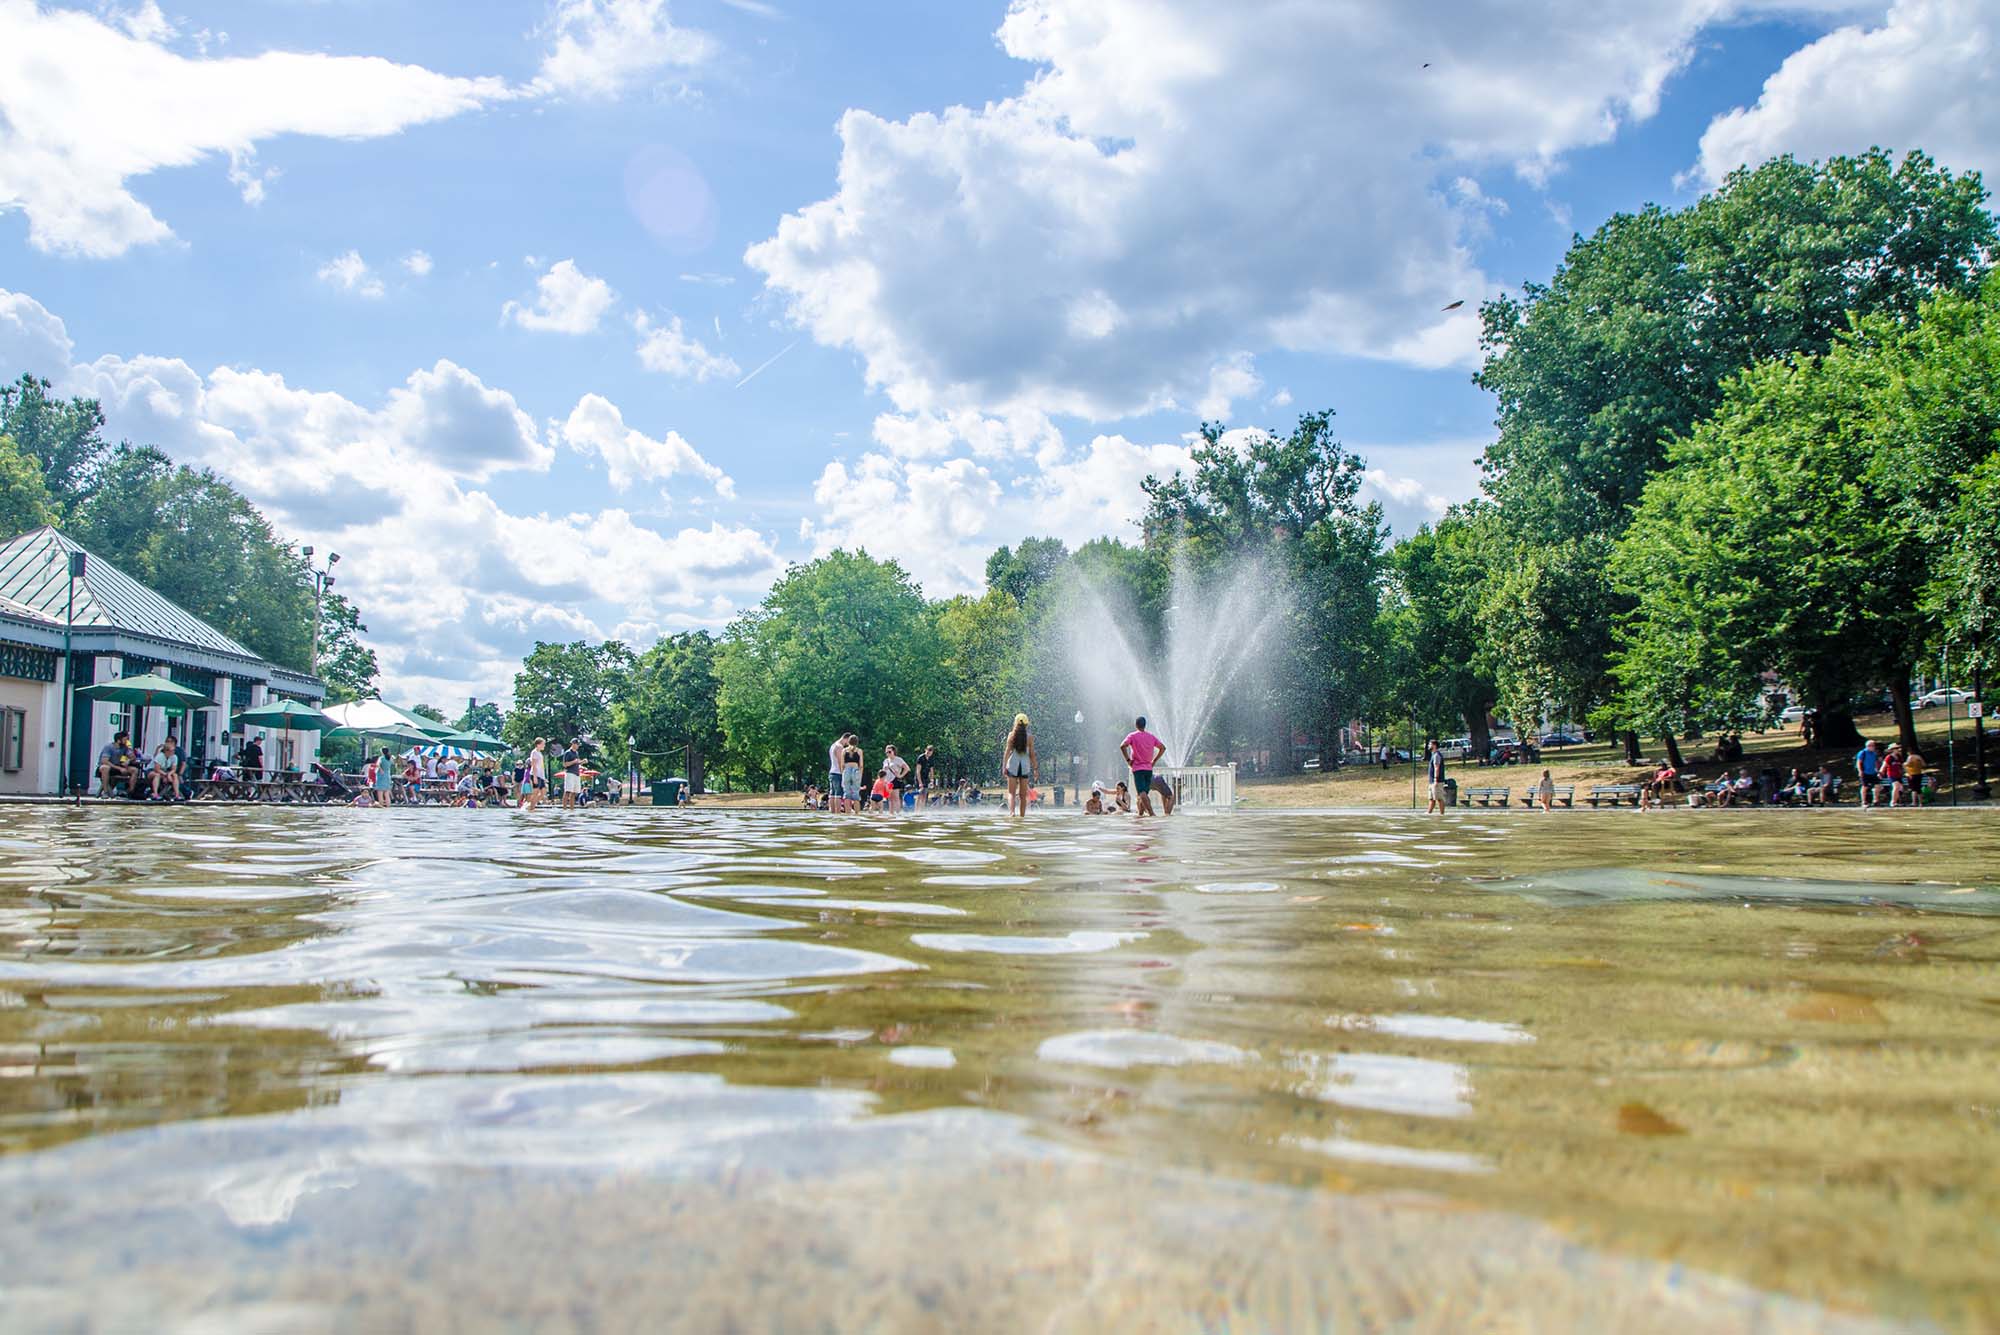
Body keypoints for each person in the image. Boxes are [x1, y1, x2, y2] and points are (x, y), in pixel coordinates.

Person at [1120, 715, 1174, 817]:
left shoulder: (1132, 736)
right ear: (1145, 725)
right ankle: (1140, 814)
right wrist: (1154, 760)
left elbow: (1122, 746)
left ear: (1136, 725)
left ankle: (1151, 814)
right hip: (1148, 769)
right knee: (1143, 793)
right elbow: (1162, 748)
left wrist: (1128, 760)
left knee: (1141, 793)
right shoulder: (1151, 737)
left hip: (1138, 769)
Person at [1003, 714, 1036, 817]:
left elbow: (1007, 752)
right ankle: (1022, 816)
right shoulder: (1030, 737)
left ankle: (1012, 813)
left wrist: (1004, 766)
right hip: (1025, 766)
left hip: (1013, 765)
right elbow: (1032, 754)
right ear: (1027, 724)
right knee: (1023, 795)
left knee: (1011, 793)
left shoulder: (1011, 735)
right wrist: (1035, 768)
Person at [96, 731, 142, 797]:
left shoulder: (124, 747)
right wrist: (120, 768)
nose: (127, 741)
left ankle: (130, 791)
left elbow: (133, 757)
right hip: (106, 767)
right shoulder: (109, 747)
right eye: (125, 739)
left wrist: (128, 760)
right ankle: (105, 792)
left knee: (134, 770)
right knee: (105, 767)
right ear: (118, 740)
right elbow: (104, 761)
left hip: (117, 767)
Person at [520, 737, 548, 810]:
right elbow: (534, 765)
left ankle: (531, 804)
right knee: (535, 792)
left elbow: (541, 766)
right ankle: (531, 807)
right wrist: (535, 777)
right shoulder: (534, 752)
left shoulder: (539, 753)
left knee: (543, 792)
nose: (544, 745)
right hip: (535, 774)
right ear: (538, 744)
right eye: (543, 744)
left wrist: (543, 777)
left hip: (540, 775)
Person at [827, 733, 850, 815]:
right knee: (838, 794)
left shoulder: (833, 745)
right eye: (848, 741)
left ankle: (832, 813)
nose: (849, 743)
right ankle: (837, 813)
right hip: (838, 773)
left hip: (832, 772)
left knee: (832, 793)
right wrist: (843, 774)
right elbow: (841, 762)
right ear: (846, 738)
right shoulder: (840, 747)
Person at [1855, 739, 1881, 808]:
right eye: (1872, 746)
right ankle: (1863, 801)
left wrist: (1877, 771)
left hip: (1873, 772)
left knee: (1877, 786)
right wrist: (1860, 771)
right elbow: (1859, 762)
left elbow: (1875, 762)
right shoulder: (1862, 753)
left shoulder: (1874, 754)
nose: (1874, 747)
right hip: (1865, 772)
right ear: (1868, 746)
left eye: (1874, 746)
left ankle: (1876, 800)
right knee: (1864, 787)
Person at [841, 736, 864, 814]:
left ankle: (847, 813)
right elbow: (861, 765)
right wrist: (860, 775)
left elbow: (842, 764)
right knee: (856, 793)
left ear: (849, 742)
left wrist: (842, 774)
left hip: (846, 770)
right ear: (857, 742)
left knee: (847, 794)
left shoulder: (844, 750)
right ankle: (857, 814)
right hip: (856, 770)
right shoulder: (859, 751)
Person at [1424, 739, 1446, 814]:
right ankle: (1429, 813)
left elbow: (1437, 767)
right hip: (1432, 781)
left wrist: (1436, 779)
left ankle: (1442, 814)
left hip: (1437, 781)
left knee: (1439, 798)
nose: (1428, 746)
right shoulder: (1433, 755)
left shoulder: (1437, 755)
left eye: (1430, 744)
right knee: (1431, 798)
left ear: (1434, 745)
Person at [913, 745, 937, 809]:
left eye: (930, 751)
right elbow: (918, 771)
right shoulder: (921, 758)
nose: (929, 752)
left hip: (926, 779)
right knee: (919, 795)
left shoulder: (931, 759)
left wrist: (932, 780)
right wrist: (920, 782)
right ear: (925, 750)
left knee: (924, 796)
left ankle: (922, 810)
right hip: (919, 778)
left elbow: (931, 771)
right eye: (928, 750)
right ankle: (916, 810)